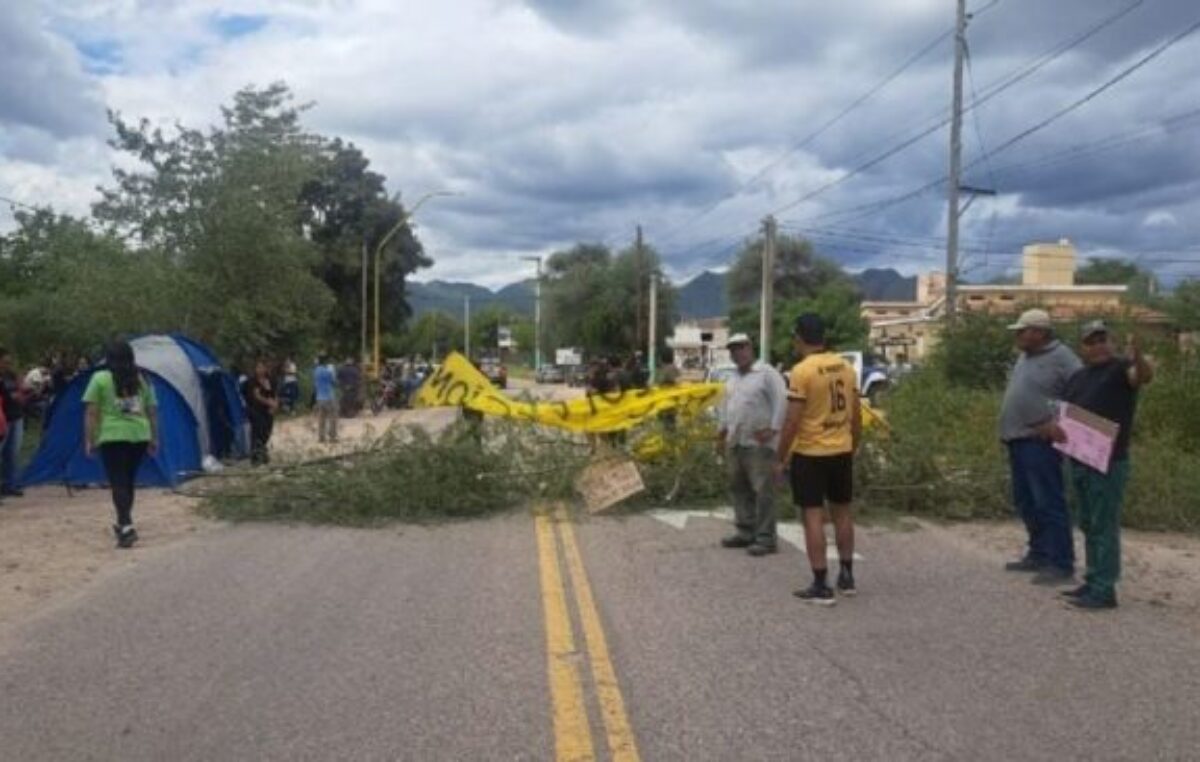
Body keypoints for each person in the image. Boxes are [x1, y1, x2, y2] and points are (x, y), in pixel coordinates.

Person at [1053, 321, 1153, 611]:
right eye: (1091, 342)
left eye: (1102, 340)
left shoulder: (1121, 369)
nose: (1098, 346)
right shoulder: (1078, 377)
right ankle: (1093, 579)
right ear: (1082, 348)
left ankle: (1105, 589)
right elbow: (1066, 415)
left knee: (1104, 525)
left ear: (1112, 342)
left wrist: (1139, 358)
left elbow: (1143, 377)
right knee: (1087, 523)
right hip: (1079, 459)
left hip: (1108, 461)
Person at [775, 314, 861, 605]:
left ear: (799, 337)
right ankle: (847, 575)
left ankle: (821, 584)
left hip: (811, 452)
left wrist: (780, 457)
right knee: (843, 513)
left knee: (812, 515)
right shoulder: (846, 367)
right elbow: (856, 415)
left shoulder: (802, 371)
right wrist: (853, 445)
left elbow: (792, 421)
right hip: (841, 450)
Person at [999, 308, 1083, 586]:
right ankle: (1039, 553)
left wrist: (1058, 422)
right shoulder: (1025, 356)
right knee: (1026, 501)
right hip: (1017, 438)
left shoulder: (1062, 357)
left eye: (1022, 331)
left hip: (1040, 442)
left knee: (1048, 500)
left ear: (1039, 332)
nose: (1018, 336)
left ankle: (1061, 563)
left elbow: (1083, 391)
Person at [717, 333, 788, 557]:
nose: (737, 353)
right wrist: (721, 432)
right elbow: (726, 407)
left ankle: (766, 538)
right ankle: (745, 531)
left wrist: (773, 429)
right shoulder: (732, 378)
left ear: (750, 347)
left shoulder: (766, 373)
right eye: (733, 349)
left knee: (763, 490)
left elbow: (782, 401)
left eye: (740, 347)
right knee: (739, 488)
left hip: (759, 442)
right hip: (736, 440)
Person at [83, 340, 159, 549]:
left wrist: (89, 438)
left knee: (118, 481)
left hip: (112, 435)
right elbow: (152, 411)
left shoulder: (99, 378)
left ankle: (126, 526)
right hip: (139, 435)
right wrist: (154, 437)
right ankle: (123, 522)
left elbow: (91, 412)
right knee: (128, 481)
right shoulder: (143, 379)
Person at [0, 348, 28, 498]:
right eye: (4, 361)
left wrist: (21, 393)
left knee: (12, 453)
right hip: (3, 418)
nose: (7, 364)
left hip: (16, 416)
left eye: (9, 362)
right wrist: (12, 396)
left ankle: (9, 484)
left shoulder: (11, 375)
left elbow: (20, 392)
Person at [244, 360, 279, 465]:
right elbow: (257, 396)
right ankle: (255, 456)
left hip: (268, 410)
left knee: (267, 431)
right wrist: (269, 403)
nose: (261, 370)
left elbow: (275, 394)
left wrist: (275, 405)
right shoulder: (252, 381)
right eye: (258, 367)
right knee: (258, 430)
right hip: (255, 410)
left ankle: (262, 453)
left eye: (263, 367)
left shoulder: (270, 380)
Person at [313, 355, 339, 444]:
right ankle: (332, 437)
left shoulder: (316, 371)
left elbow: (315, 384)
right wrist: (333, 372)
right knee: (332, 417)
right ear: (325, 362)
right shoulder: (328, 371)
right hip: (329, 397)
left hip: (319, 397)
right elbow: (334, 382)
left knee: (321, 418)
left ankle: (321, 437)